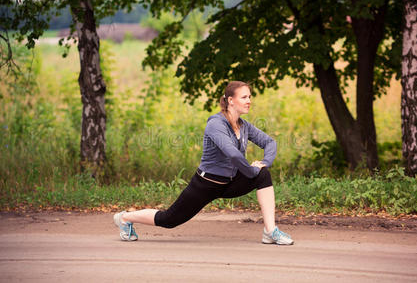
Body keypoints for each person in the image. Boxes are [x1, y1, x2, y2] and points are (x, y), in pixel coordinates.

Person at [113, 81, 293, 245]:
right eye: (244, 97)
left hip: (230, 183)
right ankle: (125, 218)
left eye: (250, 97)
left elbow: (270, 142)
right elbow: (233, 155)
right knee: (168, 220)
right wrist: (252, 170)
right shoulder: (216, 124)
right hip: (206, 184)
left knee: (263, 175)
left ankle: (270, 231)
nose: (249, 101)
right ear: (231, 100)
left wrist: (263, 163)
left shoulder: (244, 126)